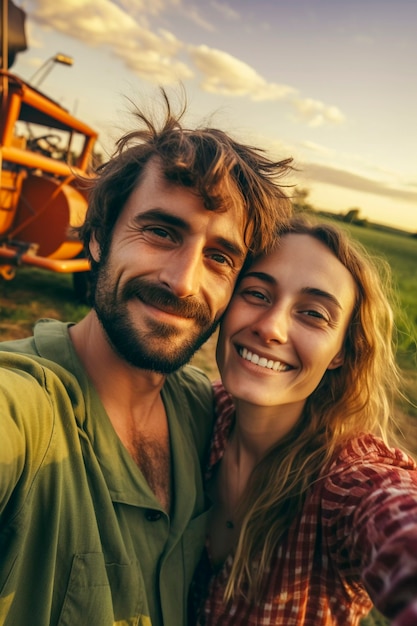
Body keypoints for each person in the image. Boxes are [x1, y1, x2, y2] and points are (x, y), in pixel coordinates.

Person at [0, 90, 294, 626]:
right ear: (98, 235)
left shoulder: (205, 412)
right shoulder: (23, 406)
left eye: (220, 257)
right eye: (161, 232)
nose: (182, 281)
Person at [190, 215, 417, 626]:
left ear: (341, 353)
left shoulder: (347, 483)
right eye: (257, 293)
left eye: (313, 314)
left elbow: (397, 521)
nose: (271, 328)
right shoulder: (194, 413)